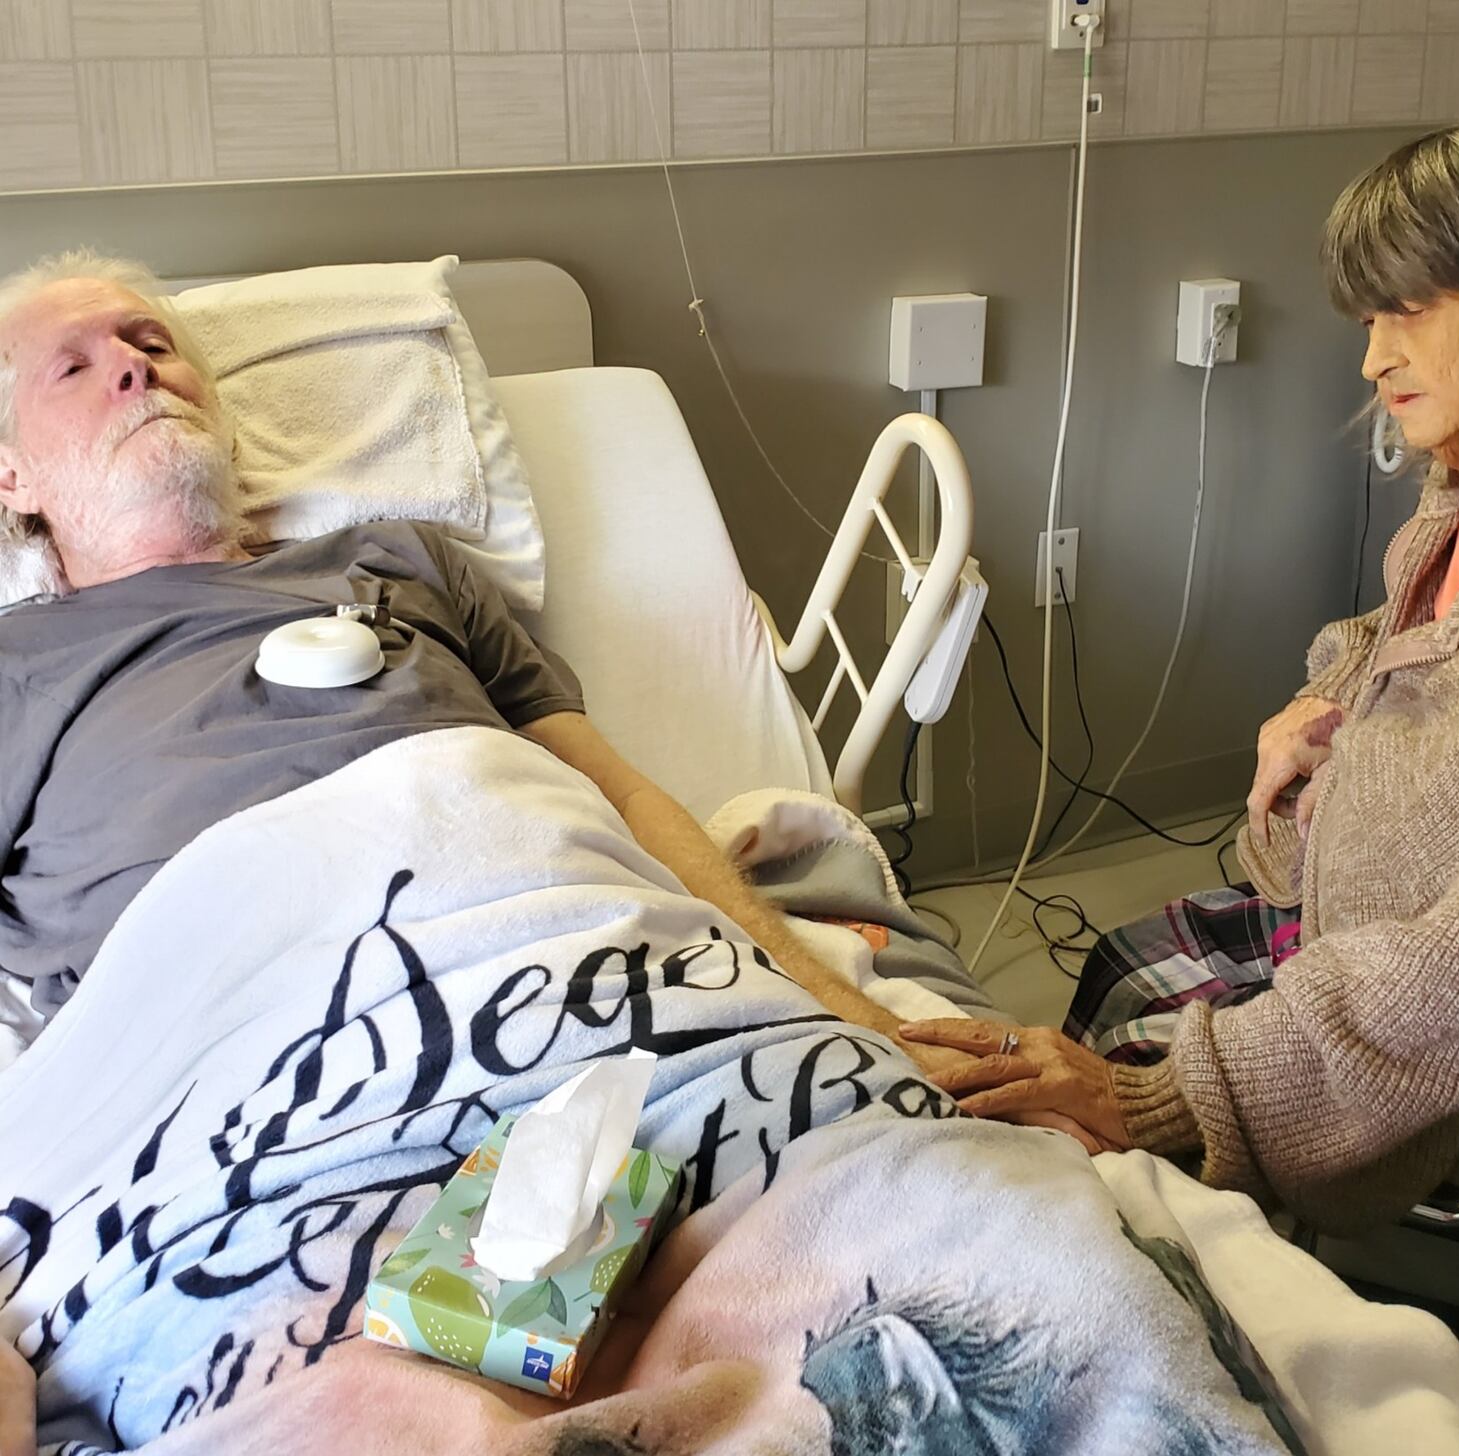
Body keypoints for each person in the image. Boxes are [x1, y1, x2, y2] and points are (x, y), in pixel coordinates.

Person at [0, 250, 963, 1080]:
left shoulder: (398, 560)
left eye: (152, 344)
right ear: (13, 476)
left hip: (567, 971)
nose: (133, 367)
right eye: (74, 367)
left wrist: (857, 1018)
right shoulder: (20, 665)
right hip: (255, 1056)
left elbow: (618, 798)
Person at [902, 119, 1459, 1230]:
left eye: (1408, 309)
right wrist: (1324, 702)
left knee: (1103, 1098)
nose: (1373, 358)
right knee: (1121, 964)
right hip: (1341, 915)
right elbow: (1415, 638)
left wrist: (1172, 1095)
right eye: (1369, 319)